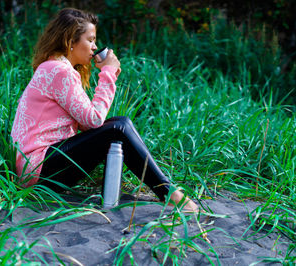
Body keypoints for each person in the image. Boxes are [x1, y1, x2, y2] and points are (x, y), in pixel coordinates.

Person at [11, 8, 199, 212]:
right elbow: (93, 121)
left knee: (119, 125)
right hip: (38, 169)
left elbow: (85, 124)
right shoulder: (58, 70)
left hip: (39, 168)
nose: (94, 47)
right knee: (118, 127)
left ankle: (164, 192)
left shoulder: (55, 68)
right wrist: (108, 73)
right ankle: (169, 193)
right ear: (70, 42)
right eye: (90, 40)